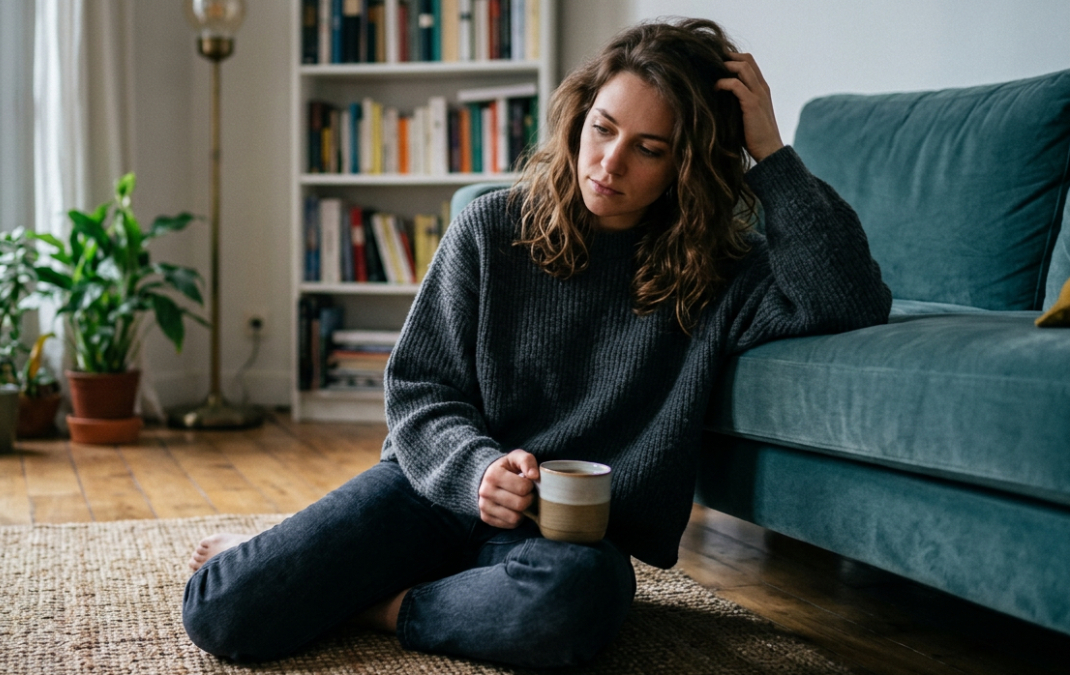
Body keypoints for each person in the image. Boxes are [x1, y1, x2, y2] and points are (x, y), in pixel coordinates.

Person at [182, 18, 891, 669]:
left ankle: (380, 605)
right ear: (580, 116)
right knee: (222, 608)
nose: (609, 162)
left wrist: (769, 150)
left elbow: (849, 299)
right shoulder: (491, 229)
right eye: (603, 129)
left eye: (649, 149)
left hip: (565, 541)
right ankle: (373, 578)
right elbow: (420, 386)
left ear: (687, 165)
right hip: (433, 493)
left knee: (574, 604)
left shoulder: (721, 272)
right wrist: (478, 471)